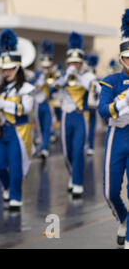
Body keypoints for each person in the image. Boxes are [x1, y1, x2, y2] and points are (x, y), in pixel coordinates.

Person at [0, 28, 35, 211]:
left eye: (9, 69)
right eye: (4, 69)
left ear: (17, 68)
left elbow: (26, 108)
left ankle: (16, 196)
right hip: (0, 131)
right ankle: (7, 186)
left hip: (18, 130)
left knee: (16, 166)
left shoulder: (27, 88)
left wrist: (4, 105)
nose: (6, 73)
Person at [98, 9, 129, 249]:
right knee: (110, 191)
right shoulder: (111, 81)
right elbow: (102, 110)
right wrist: (124, 100)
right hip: (116, 135)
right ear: (121, 58)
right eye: (128, 57)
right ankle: (124, 218)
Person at [54, 32, 98, 199]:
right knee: (67, 152)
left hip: (81, 116)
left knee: (79, 150)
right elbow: (54, 88)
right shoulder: (64, 76)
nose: (74, 65)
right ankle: (73, 175)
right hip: (66, 116)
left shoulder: (88, 76)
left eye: (77, 62)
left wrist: (79, 77)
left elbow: (95, 88)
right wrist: (67, 76)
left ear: (81, 63)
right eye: (71, 62)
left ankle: (77, 183)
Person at [33, 39, 57, 159]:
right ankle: (41, 145)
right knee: (39, 127)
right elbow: (33, 89)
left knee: (47, 126)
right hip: (38, 103)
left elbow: (55, 89)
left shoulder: (52, 74)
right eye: (44, 66)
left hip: (47, 103)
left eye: (48, 66)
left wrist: (51, 84)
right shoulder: (37, 75)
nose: (46, 68)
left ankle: (44, 148)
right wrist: (40, 81)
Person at [85, 54, 100, 155]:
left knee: (89, 126)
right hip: (89, 105)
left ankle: (89, 145)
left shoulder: (91, 78)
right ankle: (89, 146)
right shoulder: (95, 78)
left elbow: (99, 91)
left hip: (89, 106)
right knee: (89, 126)